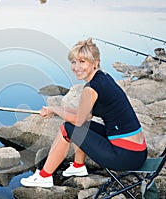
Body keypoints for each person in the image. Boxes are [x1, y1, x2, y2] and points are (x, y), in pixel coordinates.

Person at [20, 38, 147, 188]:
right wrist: (54, 111)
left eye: (82, 62)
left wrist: (55, 109)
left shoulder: (91, 88)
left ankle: (44, 176)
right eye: (73, 62)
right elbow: (84, 115)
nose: (76, 67)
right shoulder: (104, 78)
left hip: (125, 155)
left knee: (67, 129)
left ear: (95, 62)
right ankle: (78, 166)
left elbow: (78, 120)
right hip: (138, 151)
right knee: (78, 124)